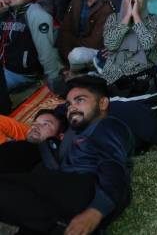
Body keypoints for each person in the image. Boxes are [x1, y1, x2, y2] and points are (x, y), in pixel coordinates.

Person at [0, 76, 134, 233]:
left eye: (80, 100)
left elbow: (114, 168)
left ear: (103, 103)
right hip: (61, 185)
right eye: (69, 104)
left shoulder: (107, 125)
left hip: (85, 187)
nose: (72, 107)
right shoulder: (77, 131)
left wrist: (95, 212)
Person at [0, 0, 62, 91]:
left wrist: (54, 80)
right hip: (5, 67)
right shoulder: (6, 13)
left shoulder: (36, 15)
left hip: (22, 74)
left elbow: (46, 51)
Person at [97, 0, 157, 91]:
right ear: (123, 0)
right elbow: (110, 44)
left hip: (142, 76)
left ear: (144, 0)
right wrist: (126, 17)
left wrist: (136, 15)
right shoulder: (113, 18)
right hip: (113, 73)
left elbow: (148, 44)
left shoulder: (154, 20)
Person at [58, 0, 118, 68]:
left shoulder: (107, 6)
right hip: (75, 45)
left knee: (76, 55)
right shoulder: (76, 0)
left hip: (96, 50)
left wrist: (71, 43)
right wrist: (67, 48)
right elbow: (65, 29)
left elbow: (95, 42)